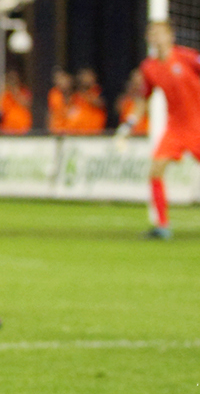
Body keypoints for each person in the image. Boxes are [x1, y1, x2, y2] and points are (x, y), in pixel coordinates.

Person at [121, 20, 200, 240]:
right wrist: (129, 124)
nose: (155, 37)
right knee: (155, 170)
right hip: (175, 127)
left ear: (170, 36)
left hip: (198, 124)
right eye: (151, 33)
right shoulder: (149, 68)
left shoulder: (188, 57)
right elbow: (143, 99)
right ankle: (162, 226)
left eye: (159, 33)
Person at [63, 67, 106, 133]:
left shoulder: (96, 91)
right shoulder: (75, 94)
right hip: (76, 132)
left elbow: (99, 103)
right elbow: (67, 108)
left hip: (94, 132)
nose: (86, 79)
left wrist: (84, 94)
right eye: (84, 76)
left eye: (88, 76)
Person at [0, 68, 33, 133]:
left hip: (22, 129)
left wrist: (14, 91)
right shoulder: (4, 94)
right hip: (6, 130)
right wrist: (1, 90)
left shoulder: (23, 92)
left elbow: (26, 104)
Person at [115, 68, 148, 137]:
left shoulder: (152, 101)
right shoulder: (125, 101)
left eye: (140, 84)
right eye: (135, 83)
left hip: (146, 136)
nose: (138, 87)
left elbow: (141, 105)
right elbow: (118, 108)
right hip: (129, 137)